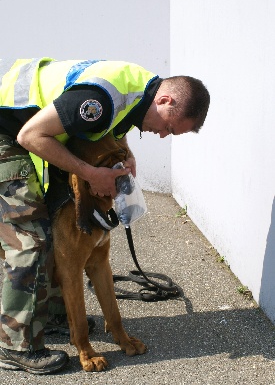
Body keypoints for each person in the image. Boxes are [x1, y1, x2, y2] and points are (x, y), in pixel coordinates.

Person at [0, 58, 210, 374]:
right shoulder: (97, 100)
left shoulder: (139, 95)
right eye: (168, 127)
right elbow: (30, 136)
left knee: (61, 239)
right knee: (30, 237)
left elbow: (112, 127)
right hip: (9, 131)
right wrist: (89, 173)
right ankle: (15, 346)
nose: (164, 135)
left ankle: (56, 313)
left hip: (33, 130)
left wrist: (127, 154)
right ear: (165, 100)